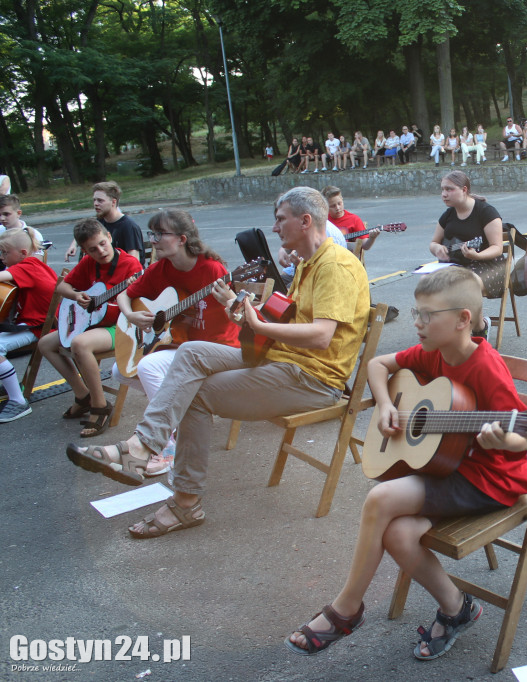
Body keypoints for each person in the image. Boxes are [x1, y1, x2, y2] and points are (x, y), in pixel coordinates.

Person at [66, 187, 371, 538]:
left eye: (280, 219)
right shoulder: (309, 264)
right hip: (281, 360)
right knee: (191, 352)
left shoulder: (335, 265)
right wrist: (243, 315)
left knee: (194, 394)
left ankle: (182, 500)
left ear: (305, 221)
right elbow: (285, 324)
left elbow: (320, 336)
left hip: (311, 378)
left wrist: (255, 323)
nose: (274, 228)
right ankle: (142, 447)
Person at [286, 266, 527, 659]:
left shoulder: (485, 366)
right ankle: (457, 608)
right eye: (416, 312)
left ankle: (346, 610)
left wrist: (505, 438)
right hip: (448, 469)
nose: (417, 323)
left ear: (463, 320)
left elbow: (524, 440)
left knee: (380, 499)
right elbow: (378, 365)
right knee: (399, 535)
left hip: (487, 480)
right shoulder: (432, 352)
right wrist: (385, 405)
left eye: (428, 315)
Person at [111, 210, 242, 474]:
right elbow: (127, 295)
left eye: (159, 234)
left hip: (219, 347)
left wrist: (230, 298)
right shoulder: (161, 268)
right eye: (151, 234)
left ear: (182, 239)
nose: (152, 240)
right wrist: (130, 315)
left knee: (148, 368)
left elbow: (238, 311)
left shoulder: (212, 269)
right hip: (182, 345)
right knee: (119, 371)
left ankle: (167, 444)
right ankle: (183, 410)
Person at [38, 219, 143, 437]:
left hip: (121, 326)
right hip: (95, 323)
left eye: (103, 244)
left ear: (109, 237)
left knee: (79, 344)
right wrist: (77, 295)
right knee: (45, 344)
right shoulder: (88, 263)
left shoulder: (131, 265)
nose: (101, 251)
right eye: (93, 249)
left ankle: (100, 405)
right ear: (85, 251)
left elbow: (139, 301)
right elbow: (61, 287)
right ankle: (82, 394)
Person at [0, 229, 57, 423]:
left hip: (40, 328)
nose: (1, 257)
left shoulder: (28, 265)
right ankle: (7, 384)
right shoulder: (34, 264)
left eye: (5, 252)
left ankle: (18, 401)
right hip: (36, 324)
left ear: (23, 252)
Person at [427, 171, 505, 309]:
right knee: (426, 283)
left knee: (463, 284)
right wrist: (437, 248)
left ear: (464, 190)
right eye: (442, 189)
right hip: (456, 266)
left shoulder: (486, 212)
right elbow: (434, 243)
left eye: (449, 189)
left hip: (488, 266)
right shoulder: (448, 214)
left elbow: (497, 248)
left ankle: (480, 326)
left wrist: (477, 255)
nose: (444, 194)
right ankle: (448, 325)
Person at [64, 182, 145, 264]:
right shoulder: (100, 221)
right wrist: (74, 245)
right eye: (94, 200)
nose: (96, 204)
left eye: (100, 200)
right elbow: (86, 231)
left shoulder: (128, 226)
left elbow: (134, 261)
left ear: (113, 202)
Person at [0, 195, 47, 260]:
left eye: (6, 214)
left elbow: (37, 262)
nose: (2, 218)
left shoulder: (33, 234)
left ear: (18, 213)